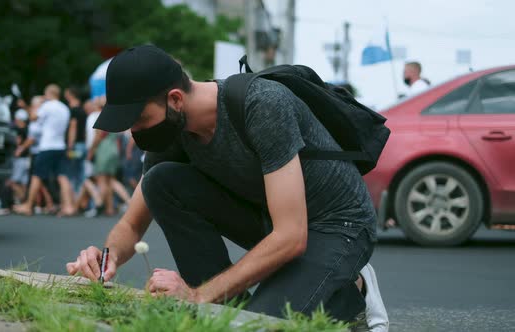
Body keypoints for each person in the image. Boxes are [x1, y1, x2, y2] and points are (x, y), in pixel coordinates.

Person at [67, 45, 384, 325]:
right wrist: (105, 260)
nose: (136, 132)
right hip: (275, 218)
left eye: (139, 120)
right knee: (160, 182)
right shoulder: (171, 127)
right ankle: (229, 305)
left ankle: (350, 294)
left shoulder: (262, 105)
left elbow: (291, 236)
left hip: (337, 226)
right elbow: (132, 223)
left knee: (253, 324)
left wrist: (196, 295)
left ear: (175, 99)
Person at [14, 84, 76, 216]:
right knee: (62, 176)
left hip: (47, 146)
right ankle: (69, 207)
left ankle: (28, 205)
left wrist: (26, 106)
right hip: (60, 145)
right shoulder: (64, 108)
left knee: (37, 175)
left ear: (48, 94)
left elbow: (32, 117)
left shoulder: (47, 106)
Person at [64, 86, 88, 192]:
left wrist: (70, 145)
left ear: (70, 95)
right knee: (80, 173)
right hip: (82, 145)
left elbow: (73, 128)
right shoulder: (83, 111)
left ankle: (73, 201)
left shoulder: (73, 111)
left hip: (75, 147)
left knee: (72, 173)